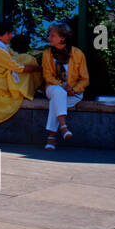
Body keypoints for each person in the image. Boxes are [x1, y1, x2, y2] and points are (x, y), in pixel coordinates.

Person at [40, 22, 89, 150]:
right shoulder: (47, 54)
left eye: (52, 35)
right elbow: (47, 76)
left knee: (55, 102)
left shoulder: (78, 54)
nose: (49, 38)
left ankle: (51, 137)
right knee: (58, 92)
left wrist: (74, 89)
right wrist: (63, 86)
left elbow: (85, 79)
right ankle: (63, 126)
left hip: (73, 93)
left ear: (62, 38)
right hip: (52, 88)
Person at [0, 20, 39, 124]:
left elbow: (16, 57)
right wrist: (38, 68)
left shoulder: (2, 47)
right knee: (25, 74)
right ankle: (29, 91)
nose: (11, 36)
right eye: (9, 34)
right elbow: (18, 68)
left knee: (29, 60)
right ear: (0, 36)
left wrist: (31, 60)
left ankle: (34, 88)